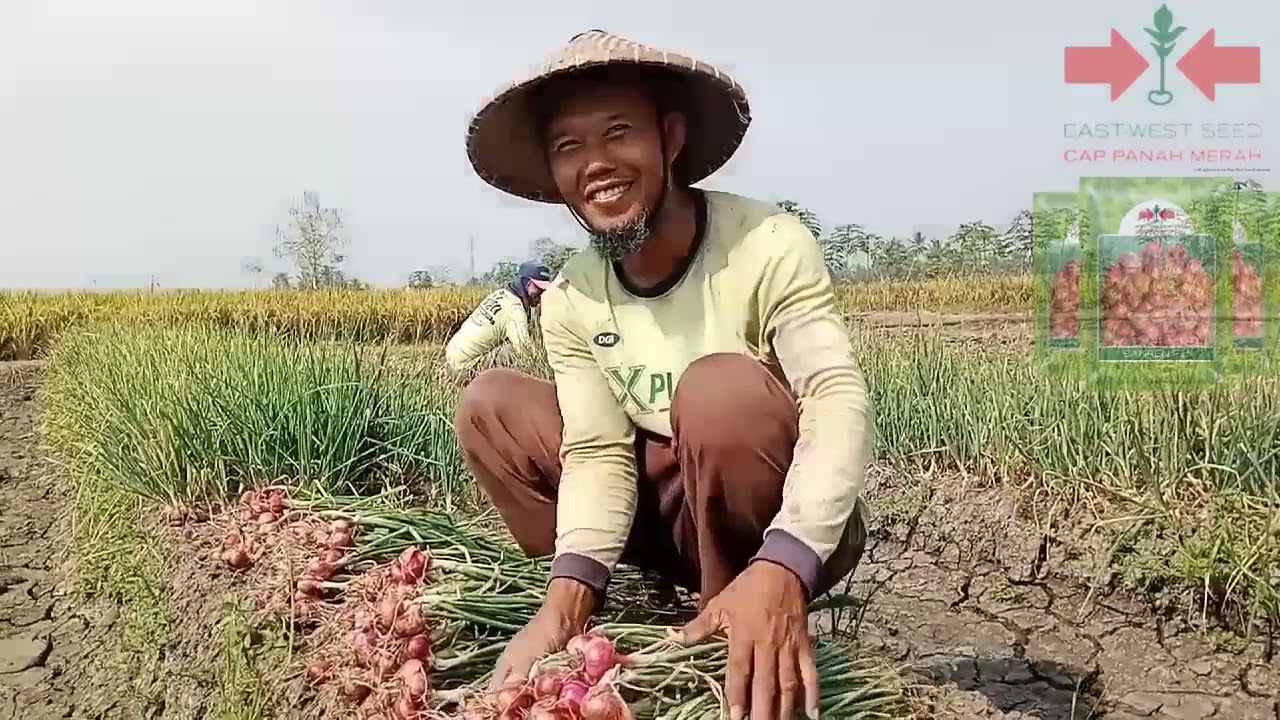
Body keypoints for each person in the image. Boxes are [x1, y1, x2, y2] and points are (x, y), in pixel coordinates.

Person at [455, 30, 874, 720]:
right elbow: (594, 449)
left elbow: (833, 394)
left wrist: (787, 560)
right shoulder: (573, 295)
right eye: (569, 147)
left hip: (761, 502)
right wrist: (564, 606)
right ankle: (613, 597)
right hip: (662, 502)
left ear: (670, 138)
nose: (596, 164)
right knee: (491, 401)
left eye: (618, 134)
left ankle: (736, 608)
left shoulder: (766, 244)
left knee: (719, 392)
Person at [443, 260, 555, 372]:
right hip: (466, 367)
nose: (542, 294)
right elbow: (526, 352)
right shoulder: (515, 311)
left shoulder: (500, 295)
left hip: (451, 357)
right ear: (527, 284)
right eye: (539, 289)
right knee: (512, 350)